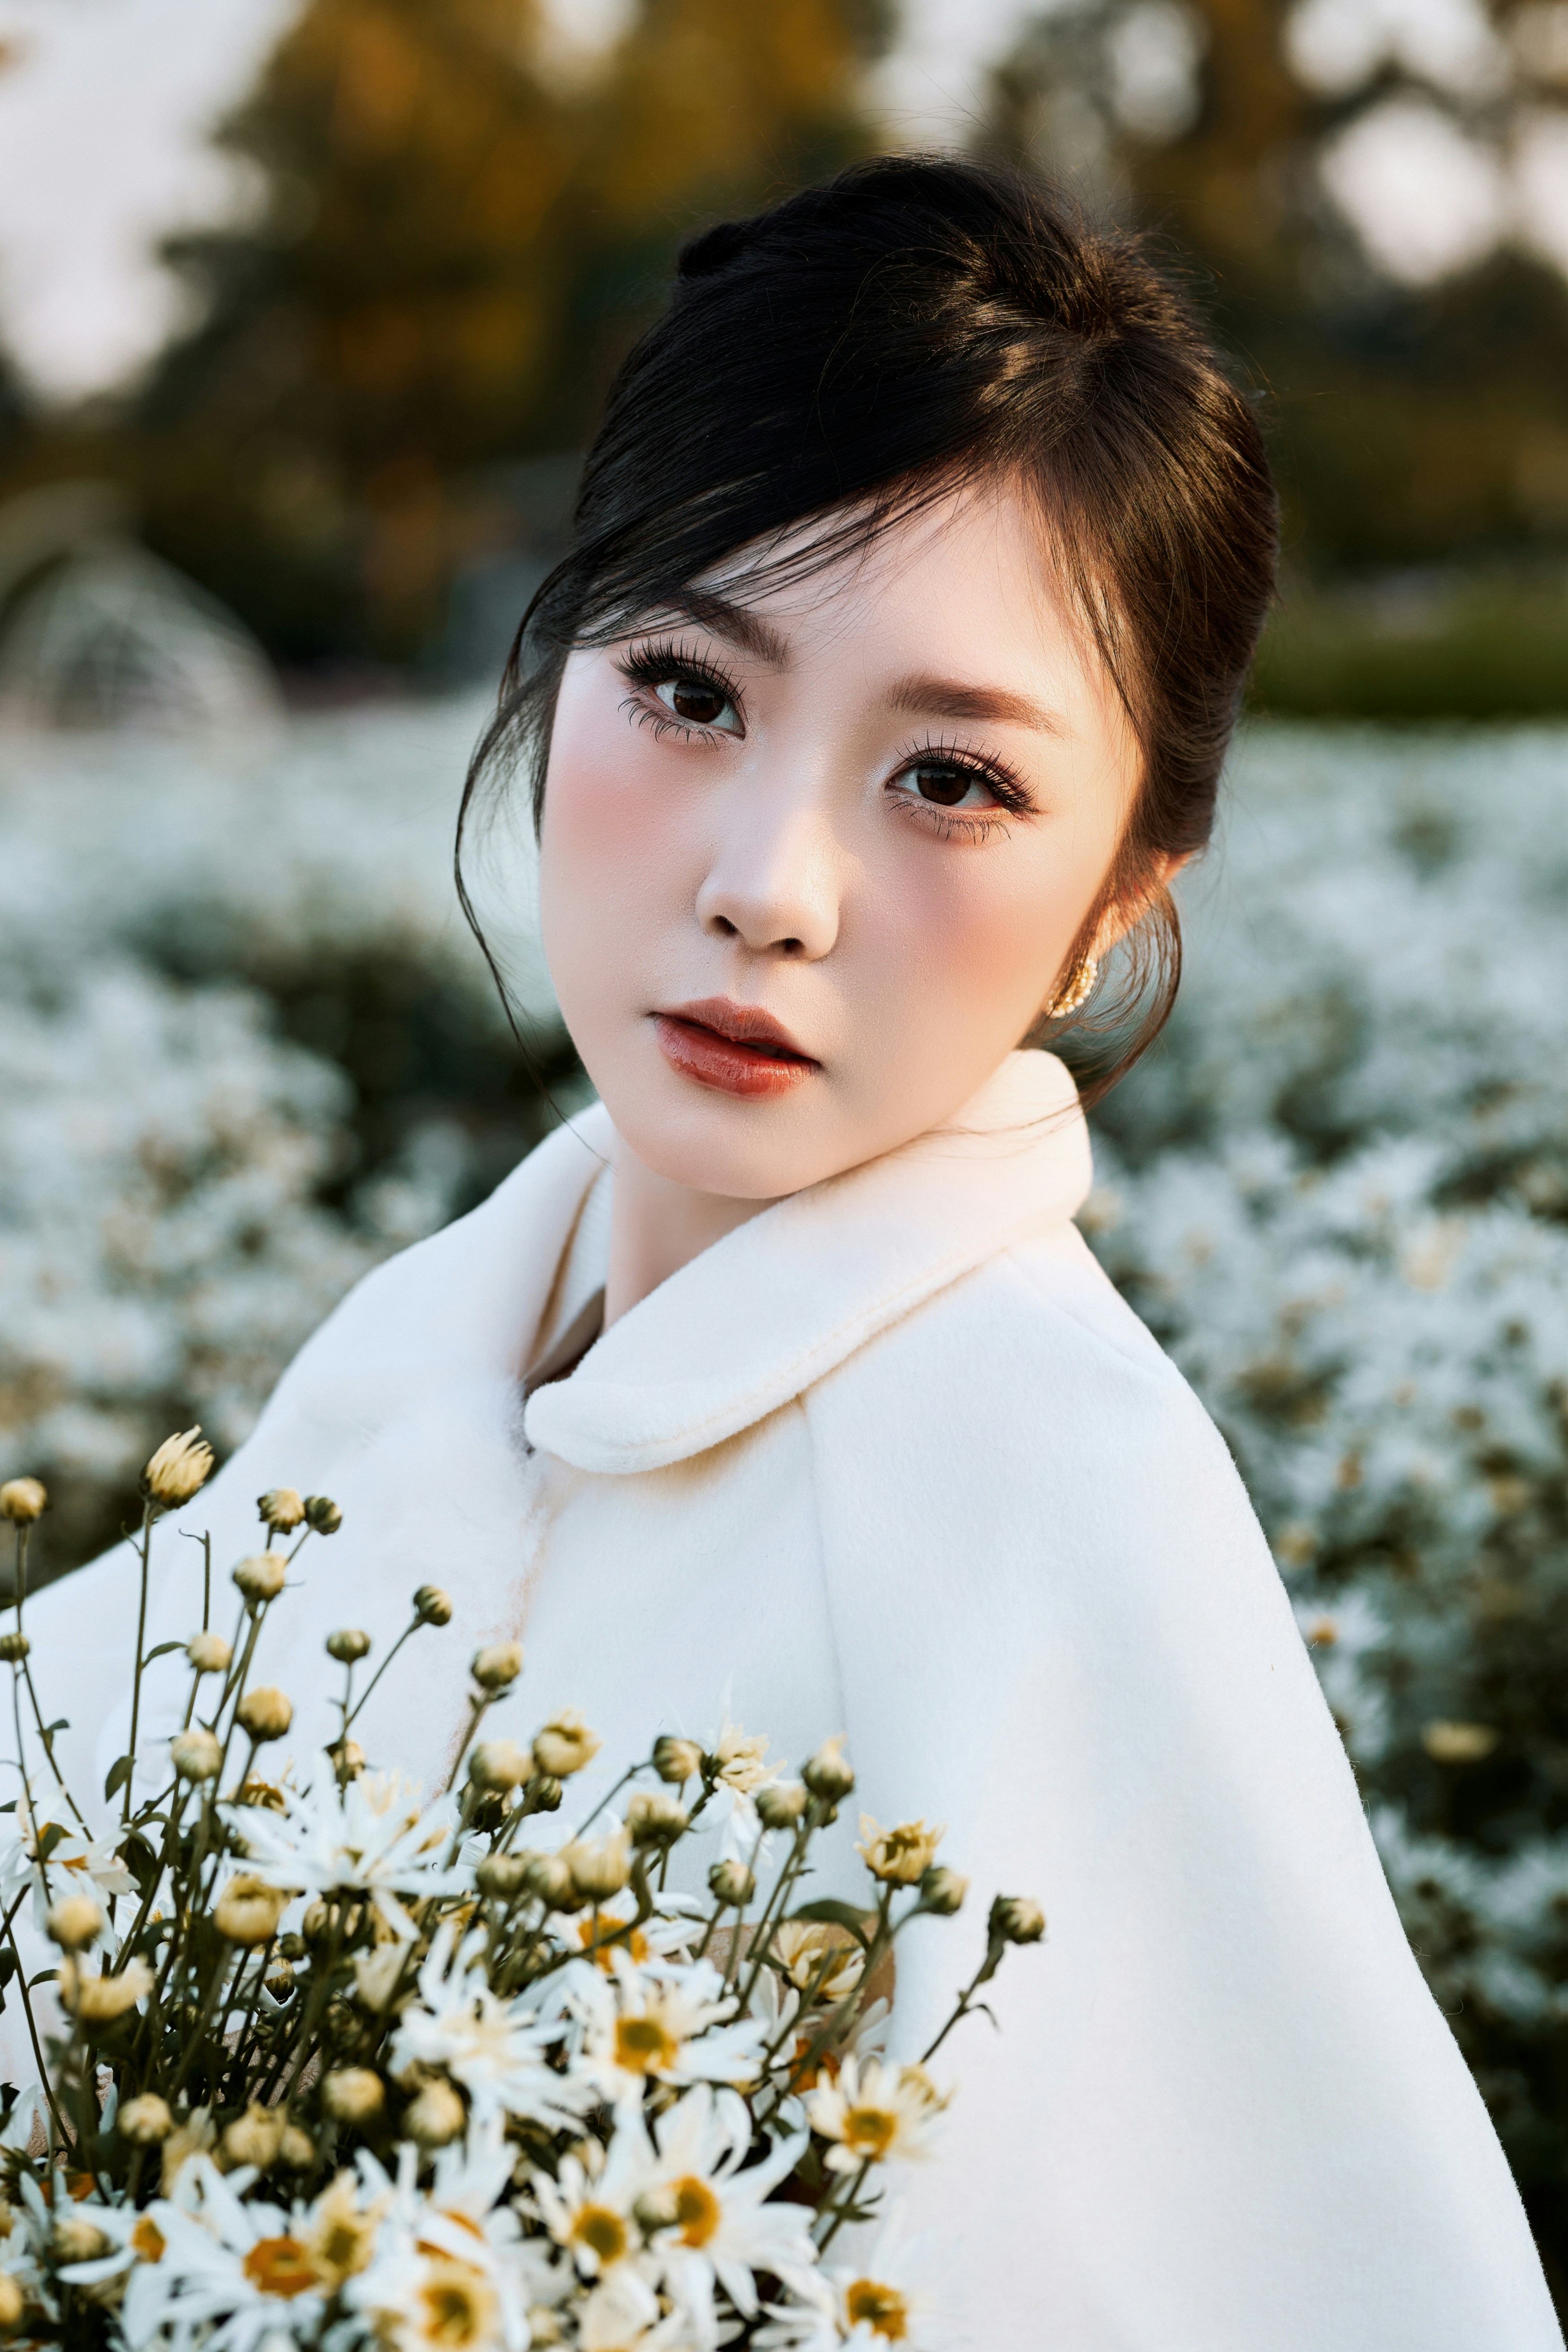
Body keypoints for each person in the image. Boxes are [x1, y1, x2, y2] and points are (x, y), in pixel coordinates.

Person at [20, 158, 1562, 2348]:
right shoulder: (428, 1345)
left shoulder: (1044, 1506)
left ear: (1119, 896)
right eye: (686, 686)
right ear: (553, 663)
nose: (769, 882)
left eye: (949, 780)